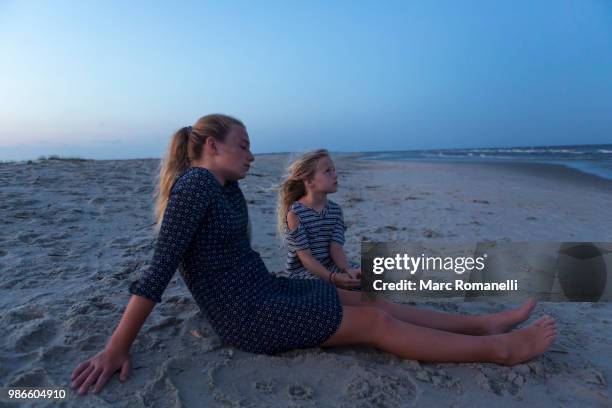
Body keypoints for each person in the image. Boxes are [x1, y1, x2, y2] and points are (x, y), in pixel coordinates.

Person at [71, 114, 557, 396]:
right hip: (248, 316)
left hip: (263, 290)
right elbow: (158, 270)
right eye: (244, 146)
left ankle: (481, 325)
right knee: (375, 325)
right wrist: (117, 346)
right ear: (213, 146)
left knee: (370, 300)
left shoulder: (227, 191)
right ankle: (500, 349)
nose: (251, 155)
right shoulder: (195, 185)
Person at [277, 149, 361, 289]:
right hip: (304, 272)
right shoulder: (295, 214)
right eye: (328, 171)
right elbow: (306, 258)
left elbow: (336, 248)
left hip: (331, 264)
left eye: (334, 170)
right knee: (327, 290)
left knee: (369, 277)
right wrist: (332, 278)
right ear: (309, 181)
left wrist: (347, 270)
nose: (335, 175)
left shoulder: (335, 211)